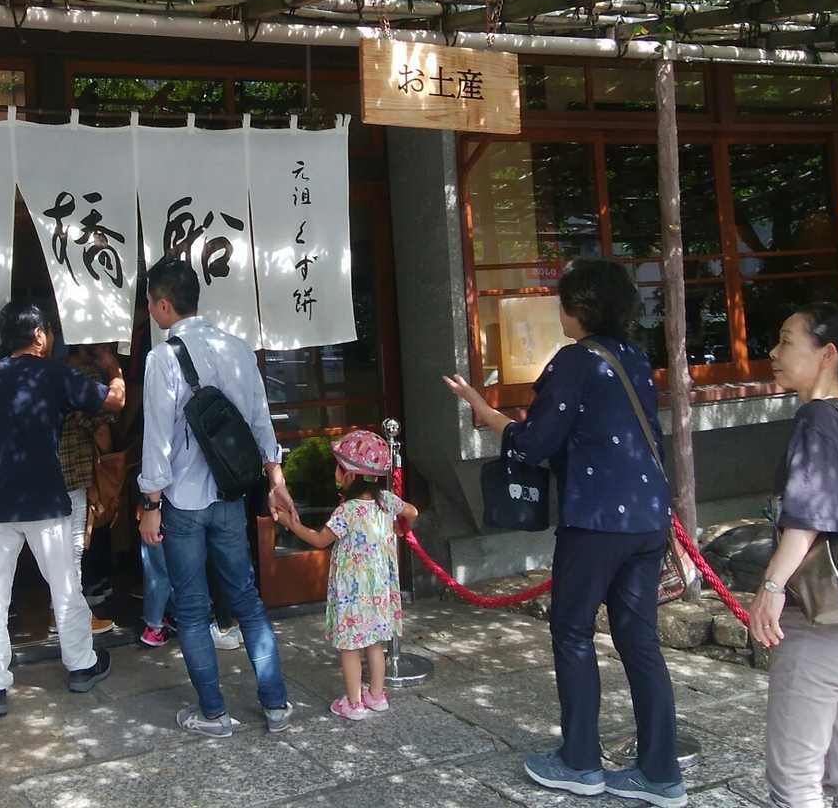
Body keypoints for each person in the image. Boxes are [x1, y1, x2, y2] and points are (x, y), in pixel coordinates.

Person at [443, 258, 688, 808]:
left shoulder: (576, 360)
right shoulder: (634, 357)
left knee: (572, 630)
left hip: (596, 520)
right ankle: (660, 772)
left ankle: (580, 761)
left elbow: (536, 443)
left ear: (580, 307)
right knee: (639, 641)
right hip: (648, 516)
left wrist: (485, 412)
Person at [137, 256, 296, 737]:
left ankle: (214, 714)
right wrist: (277, 479)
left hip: (182, 501)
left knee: (191, 607)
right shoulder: (238, 348)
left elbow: (157, 440)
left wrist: (150, 504)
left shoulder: (162, 358)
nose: (150, 311)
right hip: (230, 495)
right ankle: (276, 704)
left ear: (165, 305)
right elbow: (260, 420)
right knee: (246, 597)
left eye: (151, 303)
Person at [750, 303, 838, 808]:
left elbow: (810, 515)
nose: (774, 351)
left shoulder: (817, 419)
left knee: (795, 781)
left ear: (827, 354)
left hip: (822, 617)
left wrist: (771, 587)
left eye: (787, 340)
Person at [0, 300, 125, 718]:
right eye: (50, 331)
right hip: (46, 500)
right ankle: (81, 666)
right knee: (65, 587)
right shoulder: (57, 374)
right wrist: (113, 366)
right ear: (39, 335)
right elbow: (114, 403)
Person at [272, 429, 418, 721]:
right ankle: (376, 695)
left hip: (352, 592)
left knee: (350, 646)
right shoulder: (386, 501)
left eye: (338, 467)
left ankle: (354, 703)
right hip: (379, 589)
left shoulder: (347, 511)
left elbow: (319, 540)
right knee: (375, 642)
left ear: (350, 474)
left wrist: (291, 523)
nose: (335, 472)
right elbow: (412, 512)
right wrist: (400, 528)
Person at [58, 344, 118, 635]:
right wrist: (114, 369)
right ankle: (72, 618)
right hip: (77, 471)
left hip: (51, 472)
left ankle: (62, 612)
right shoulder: (84, 376)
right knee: (76, 547)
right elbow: (102, 431)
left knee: (56, 548)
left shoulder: (51, 372)